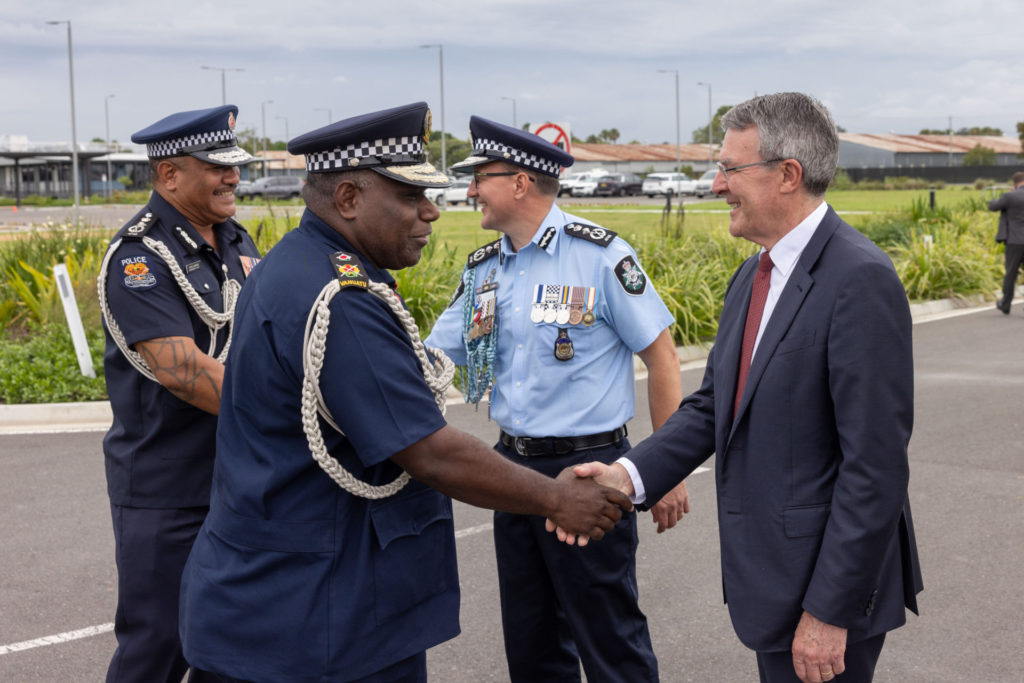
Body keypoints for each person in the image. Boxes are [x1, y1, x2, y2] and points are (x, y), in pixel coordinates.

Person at [177, 101, 631, 683]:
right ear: (348, 199)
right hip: (317, 621)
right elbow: (429, 450)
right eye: (411, 197)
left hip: (278, 605)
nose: (431, 213)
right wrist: (557, 499)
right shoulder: (342, 301)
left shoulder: (299, 262)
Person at [557, 93, 923, 683]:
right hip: (775, 581)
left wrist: (829, 612)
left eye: (729, 169)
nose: (715, 184)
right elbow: (714, 403)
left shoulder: (859, 279)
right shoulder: (753, 274)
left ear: (788, 175)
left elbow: (874, 467)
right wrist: (625, 476)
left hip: (822, 591)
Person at [425, 116, 688, 683]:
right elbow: (434, 359)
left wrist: (663, 471)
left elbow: (662, 357)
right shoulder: (483, 269)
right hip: (511, 471)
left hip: (589, 471)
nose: (469, 191)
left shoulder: (599, 256)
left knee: (610, 641)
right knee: (532, 642)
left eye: (480, 178)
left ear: (520, 182)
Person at [98, 104, 260, 682]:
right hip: (169, 490)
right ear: (169, 175)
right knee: (159, 647)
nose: (232, 177)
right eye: (217, 167)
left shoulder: (236, 238)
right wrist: (292, 413)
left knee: (234, 645)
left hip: (239, 480)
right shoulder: (139, 257)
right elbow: (182, 371)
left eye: (234, 166)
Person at [989, 171, 1024, 313]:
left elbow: (993, 206)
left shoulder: (1009, 196)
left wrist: (1009, 193)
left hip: (1014, 241)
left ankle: (1006, 304)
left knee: (1011, 273)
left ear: (1015, 183)